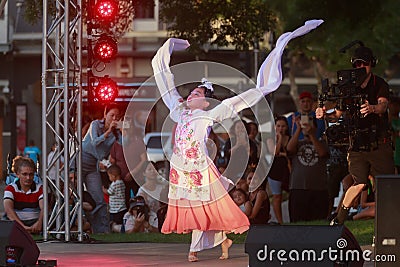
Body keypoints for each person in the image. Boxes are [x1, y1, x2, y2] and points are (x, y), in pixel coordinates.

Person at [151, 20, 323, 262]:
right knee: (197, 207)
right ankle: (221, 239)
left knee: (204, 206)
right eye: (192, 91)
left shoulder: (212, 112)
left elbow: (244, 98)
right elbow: (164, 80)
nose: (191, 94)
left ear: (206, 102)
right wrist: (170, 46)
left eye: (197, 94)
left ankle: (196, 248)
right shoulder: (178, 109)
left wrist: (266, 81)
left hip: (199, 167)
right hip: (182, 169)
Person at [316, 45, 395, 225]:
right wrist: (324, 113)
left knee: (385, 185)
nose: (360, 68)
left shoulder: (379, 84)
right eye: (357, 64)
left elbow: (383, 106)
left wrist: (372, 108)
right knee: (358, 183)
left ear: (371, 64)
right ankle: (338, 220)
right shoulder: (348, 87)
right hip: (357, 144)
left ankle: (388, 223)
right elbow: (338, 113)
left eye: (364, 64)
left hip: (378, 143)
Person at [81, 104, 122, 233]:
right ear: (105, 115)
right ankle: (77, 227)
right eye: (112, 115)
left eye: (117, 116)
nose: (114, 118)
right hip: (80, 161)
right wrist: (108, 131)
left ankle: (102, 231)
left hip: (93, 165)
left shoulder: (116, 133)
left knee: (99, 199)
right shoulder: (95, 125)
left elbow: (124, 144)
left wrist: (124, 130)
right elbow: (94, 142)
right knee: (76, 197)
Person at [287, 116, 330, 222]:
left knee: (318, 222)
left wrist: (311, 134)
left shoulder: (323, 143)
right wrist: (298, 129)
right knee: (298, 222)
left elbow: (322, 153)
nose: (307, 126)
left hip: (319, 189)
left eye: (310, 123)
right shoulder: (298, 143)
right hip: (298, 188)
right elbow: (289, 149)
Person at [3, 156, 44, 234]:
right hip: (16, 222)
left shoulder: (39, 188)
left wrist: (39, 223)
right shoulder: (11, 188)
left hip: (36, 222)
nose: (28, 178)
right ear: (18, 174)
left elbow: (44, 208)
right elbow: (8, 210)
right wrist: (22, 227)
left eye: (31, 174)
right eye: (24, 174)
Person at [110, 123, 147, 206]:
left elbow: (144, 159)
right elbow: (112, 160)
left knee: (138, 201)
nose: (126, 130)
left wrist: (132, 173)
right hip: (121, 181)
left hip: (136, 178)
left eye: (129, 127)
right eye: (124, 128)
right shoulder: (116, 144)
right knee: (123, 203)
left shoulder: (138, 142)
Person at [267, 115, 291, 224]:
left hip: (288, 170)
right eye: (278, 126)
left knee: (291, 194)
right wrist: (279, 139)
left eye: (283, 126)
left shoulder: (290, 138)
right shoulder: (270, 139)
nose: (281, 128)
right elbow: (275, 152)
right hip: (274, 170)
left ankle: (292, 218)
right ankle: (280, 221)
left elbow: (289, 153)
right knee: (277, 196)